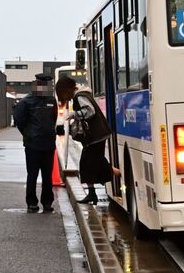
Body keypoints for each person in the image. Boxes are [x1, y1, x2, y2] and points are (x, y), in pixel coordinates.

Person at [56, 76, 117, 205]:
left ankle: (111, 175)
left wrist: (75, 115)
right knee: (93, 161)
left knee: (88, 162)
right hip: (96, 135)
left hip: (96, 135)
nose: (64, 98)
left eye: (62, 94)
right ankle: (93, 192)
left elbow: (90, 111)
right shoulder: (82, 94)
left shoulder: (80, 96)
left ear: (66, 90)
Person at [14, 73, 60, 213]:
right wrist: (28, 134)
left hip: (47, 143)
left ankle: (47, 202)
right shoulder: (26, 101)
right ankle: (32, 202)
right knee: (32, 174)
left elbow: (54, 119)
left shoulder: (52, 100)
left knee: (47, 175)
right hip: (33, 144)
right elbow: (19, 120)